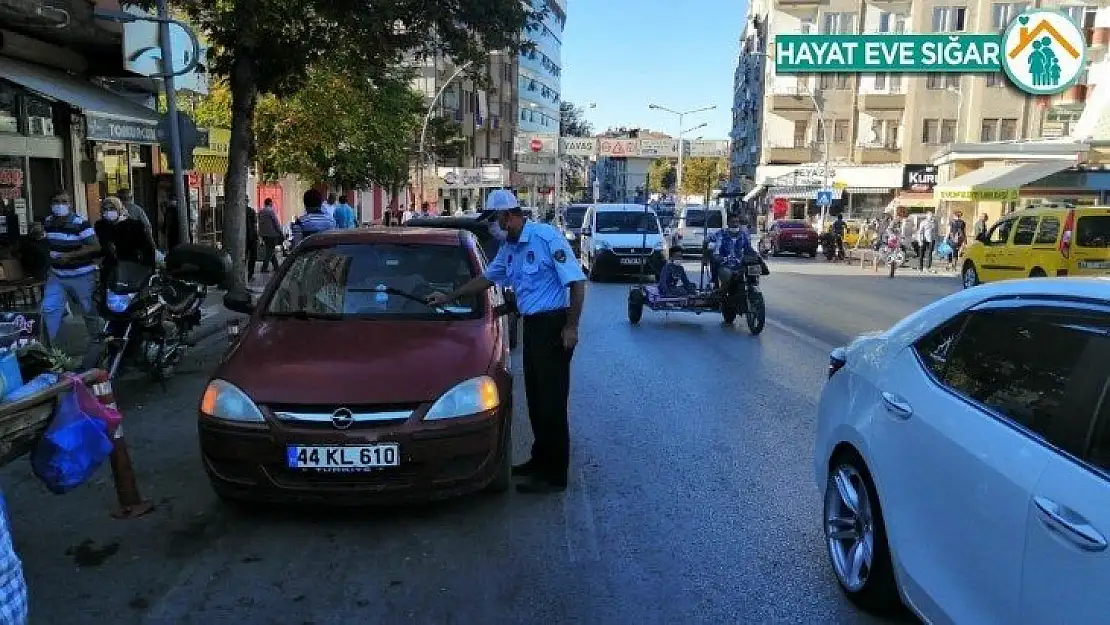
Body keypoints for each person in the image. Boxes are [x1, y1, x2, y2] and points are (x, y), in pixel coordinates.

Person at [426, 189, 585, 494]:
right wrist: (450, 296)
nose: (493, 228)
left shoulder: (545, 238)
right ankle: (539, 461)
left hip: (554, 327)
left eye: (495, 221)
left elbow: (576, 283)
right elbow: (486, 279)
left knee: (552, 403)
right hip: (533, 328)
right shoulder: (509, 248)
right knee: (537, 401)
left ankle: (554, 474)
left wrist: (572, 327)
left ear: (510, 216)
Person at [41, 191, 100, 344]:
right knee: (49, 309)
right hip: (57, 276)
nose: (60, 205)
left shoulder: (80, 223)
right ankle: (50, 351)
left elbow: (94, 246)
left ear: (70, 204)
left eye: (64, 201)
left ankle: (99, 345)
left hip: (81, 276)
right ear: (51, 204)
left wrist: (71, 256)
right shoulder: (47, 222)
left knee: (89, 312)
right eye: (56, 201)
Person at [712, 214, 757, 290]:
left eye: (737, 222)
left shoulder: (743, 235)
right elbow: (717, 249)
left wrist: (754, 255)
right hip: (725, 265)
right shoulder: (721, 234)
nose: (735, 224)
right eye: (733, 222)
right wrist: (719, 257)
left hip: (740, 265)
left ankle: (751, 288)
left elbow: (748, 248)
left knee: (753, 269)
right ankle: (718, 287)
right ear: (728, 223)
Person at [257, 198, 284, 273]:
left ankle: (276, 267)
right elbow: (276, 222)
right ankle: (264, 268)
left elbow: (259, 223)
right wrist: (280, 232)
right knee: (270, 251)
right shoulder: (271, 211)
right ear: (270, 203)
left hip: (264, 234)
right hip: (272, 234)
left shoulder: (260, 211)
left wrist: (260, 234)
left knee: (270, 249)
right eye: (272, 203)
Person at [245, 197, 259, 282]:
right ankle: (250, 275)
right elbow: (255, 225)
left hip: (246, 237)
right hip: (252, 236)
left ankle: (247, 275)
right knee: (252, 256)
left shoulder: (248, 211)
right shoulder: (251, 211)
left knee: (245, 256)